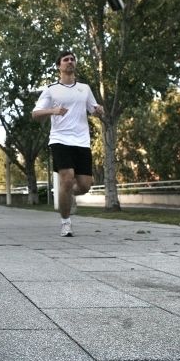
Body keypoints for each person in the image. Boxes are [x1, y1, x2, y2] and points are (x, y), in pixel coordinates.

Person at [31, 51, 104, 237]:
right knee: (67, 177)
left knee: (85, 186)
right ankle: (66, 223)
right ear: (59, 66)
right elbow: (35, 114)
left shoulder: (85, 88)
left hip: (82, 141)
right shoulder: (51, 89)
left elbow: (93, 109)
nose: (70, 62)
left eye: (72, 59)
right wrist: (53, 110)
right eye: (66, 60)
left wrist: (98, 111)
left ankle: (64, 193)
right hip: (60, 139)